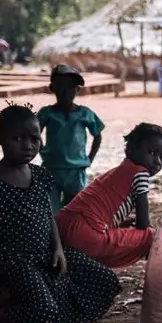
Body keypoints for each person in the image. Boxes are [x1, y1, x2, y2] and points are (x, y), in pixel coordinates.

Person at [0, 103, 120, 323]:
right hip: (15, 261)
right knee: (46, 311)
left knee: (104, 281)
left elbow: (48, 215)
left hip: (47, 253)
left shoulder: (40, 175)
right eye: (17, 138)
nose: (27, 145)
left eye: (34, 139)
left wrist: (58, 248)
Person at [56, 123, 162, 269]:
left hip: (64, 226)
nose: (157, 161)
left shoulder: (118, 171)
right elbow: (143, 223)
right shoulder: (140, 173)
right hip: (87, 235)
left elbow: (101, 209)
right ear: (131, 150)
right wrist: (145, 227)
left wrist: (121, 222)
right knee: (152, 236)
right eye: (152, 153)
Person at [36, 65, 104, 213]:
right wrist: (42, 150)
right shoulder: (46, 113)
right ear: (52, 88)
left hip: (76, 169)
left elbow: (98, 135)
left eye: (71, 87)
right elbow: (35, 132)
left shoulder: (85, 113)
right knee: (50, 210)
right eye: (60, 86)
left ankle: (70, 234)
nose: (65, 91)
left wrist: (90, 158)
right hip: (51, 168)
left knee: (77, 209)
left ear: (77, 90)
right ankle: (55, 235)